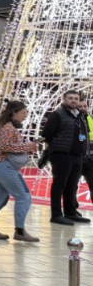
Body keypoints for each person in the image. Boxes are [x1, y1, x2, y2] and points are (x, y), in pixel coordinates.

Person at [0, 101, 39, 242]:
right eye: (23, 113)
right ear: (14, 112)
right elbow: (4, 146)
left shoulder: (7, 126)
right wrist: (26, 147)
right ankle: (19, 231)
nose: (25, 116)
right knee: (24, 196)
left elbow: (8, 145)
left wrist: (25, 146)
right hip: (5, 166)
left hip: (1, 166)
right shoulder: (8, 128)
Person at [42, 90, 90, 225]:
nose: (73, 101)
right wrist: (57, 147)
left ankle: (71, 212)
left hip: (77, 156)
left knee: (71, 185)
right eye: (70, 98)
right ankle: (56, 215)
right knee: (59, 185)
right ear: (64, 99)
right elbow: (47, 134)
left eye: (75, 98)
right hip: (61, 155)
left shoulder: (80, 116)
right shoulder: (57, 115)